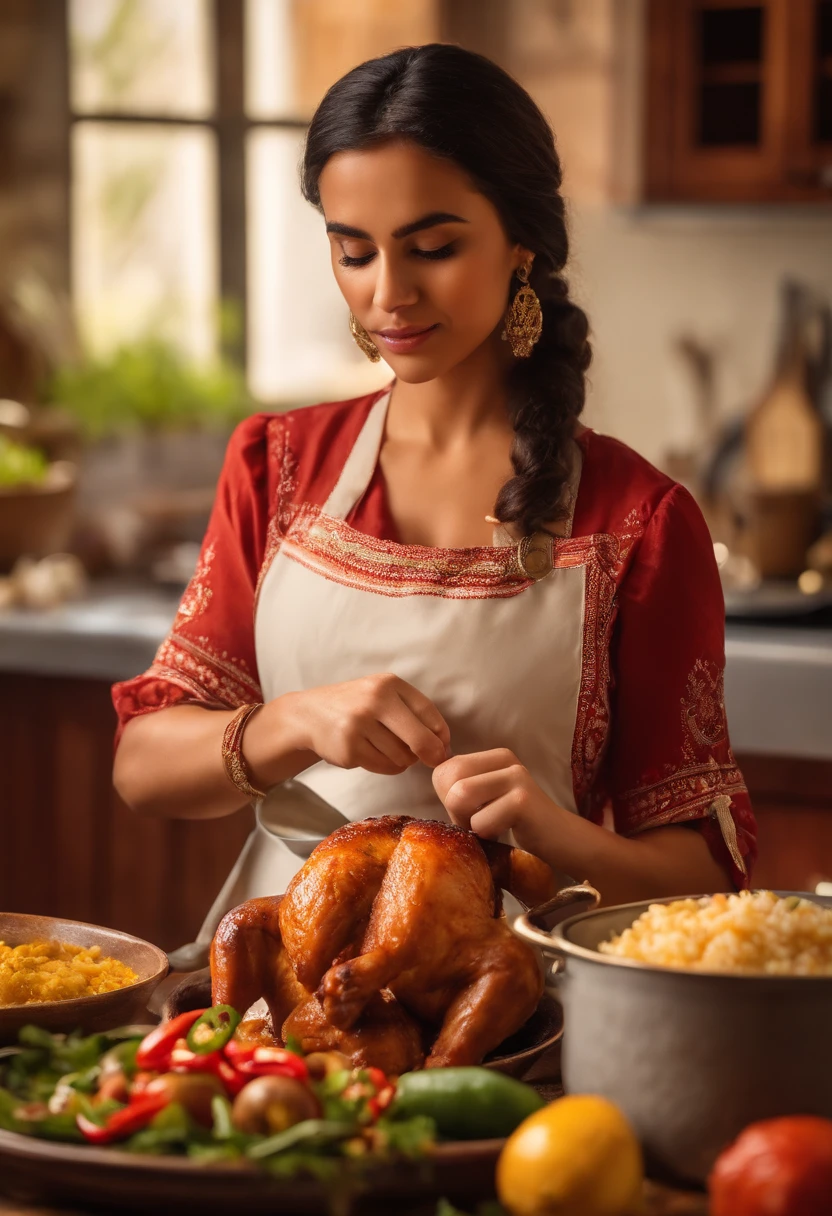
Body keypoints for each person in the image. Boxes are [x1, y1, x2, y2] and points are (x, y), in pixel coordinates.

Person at [113, 44, 756, 923]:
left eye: (434, 247)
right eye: (355, 252)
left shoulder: (637, 523)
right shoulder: (278, 465)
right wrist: (291, 723)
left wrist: (550, 830)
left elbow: (710, 884)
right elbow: (143, 767)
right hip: (274, 1007)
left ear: (522, 241)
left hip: (521, 1013)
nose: (390, 294)